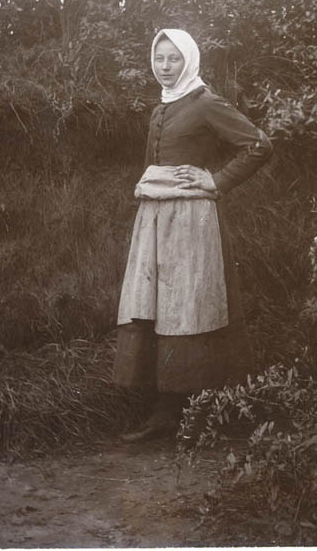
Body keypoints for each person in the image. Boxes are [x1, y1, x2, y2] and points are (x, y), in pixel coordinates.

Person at [113, 28, 273, 442]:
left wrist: (215, 180)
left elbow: (259, 145)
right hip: (155, 219)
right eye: (160, 59)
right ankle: (165, 412)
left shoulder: (205, 103)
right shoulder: (159, 109)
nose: (165, 68)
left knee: (191, 307)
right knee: (159, 307)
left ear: (189, 61)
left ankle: (204, 416)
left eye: (174, 60)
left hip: (191, 221)